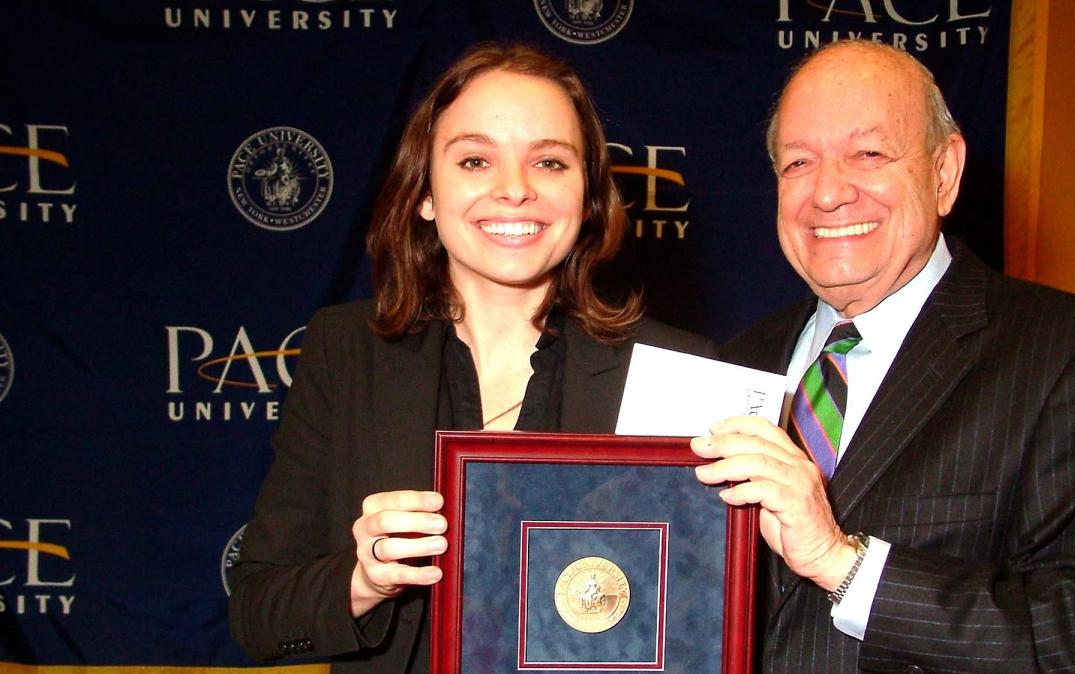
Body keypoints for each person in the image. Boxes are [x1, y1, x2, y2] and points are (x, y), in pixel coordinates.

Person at [227, 42, 713, 672]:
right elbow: (257, 614)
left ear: (589, 198)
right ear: (425, 193)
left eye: (550, 163)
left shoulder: (677, 370)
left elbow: (701, 628)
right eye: (476, 160)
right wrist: (364, 580)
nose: (514, 190)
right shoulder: (346, 352)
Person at [692, 40, 1075, 672]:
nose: (828, 193)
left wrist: (844, 565)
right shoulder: (736, 361)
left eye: (868, 154)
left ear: (944, 172)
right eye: (799, 162)